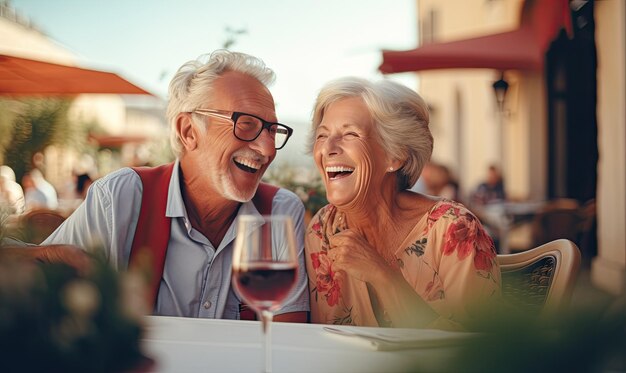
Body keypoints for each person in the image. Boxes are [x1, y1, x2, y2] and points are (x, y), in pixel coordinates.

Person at [42, 50, 309, 321]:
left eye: (273, 131)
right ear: (188, 131)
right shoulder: (120, 197)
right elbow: (32, 281)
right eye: (246, 124)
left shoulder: (280, 212)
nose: (267, 149)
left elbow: (286, 341)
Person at [305, 77, 500, 330]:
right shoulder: (322, 230)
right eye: (322, 135)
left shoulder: (454, 229)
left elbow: (481, 353)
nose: (328, 148)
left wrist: (382, 275)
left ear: (395, 156)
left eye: (350, 134)